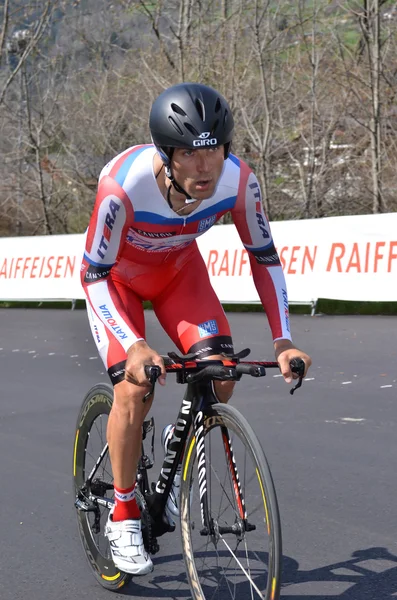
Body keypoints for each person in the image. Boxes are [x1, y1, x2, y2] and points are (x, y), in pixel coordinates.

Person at [80, 82, 312, 575]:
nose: (205, 167)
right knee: (133, 389)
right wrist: (136, 344)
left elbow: (264, 255)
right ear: (166, 155)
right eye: (189, 153)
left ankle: (174, 446)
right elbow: (93, 274)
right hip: (117, 280)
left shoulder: (239, 181)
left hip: (178, 274)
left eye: (216, 151)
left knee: (221, 376)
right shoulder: (122, 186)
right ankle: (123, 513)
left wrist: (284, 339)